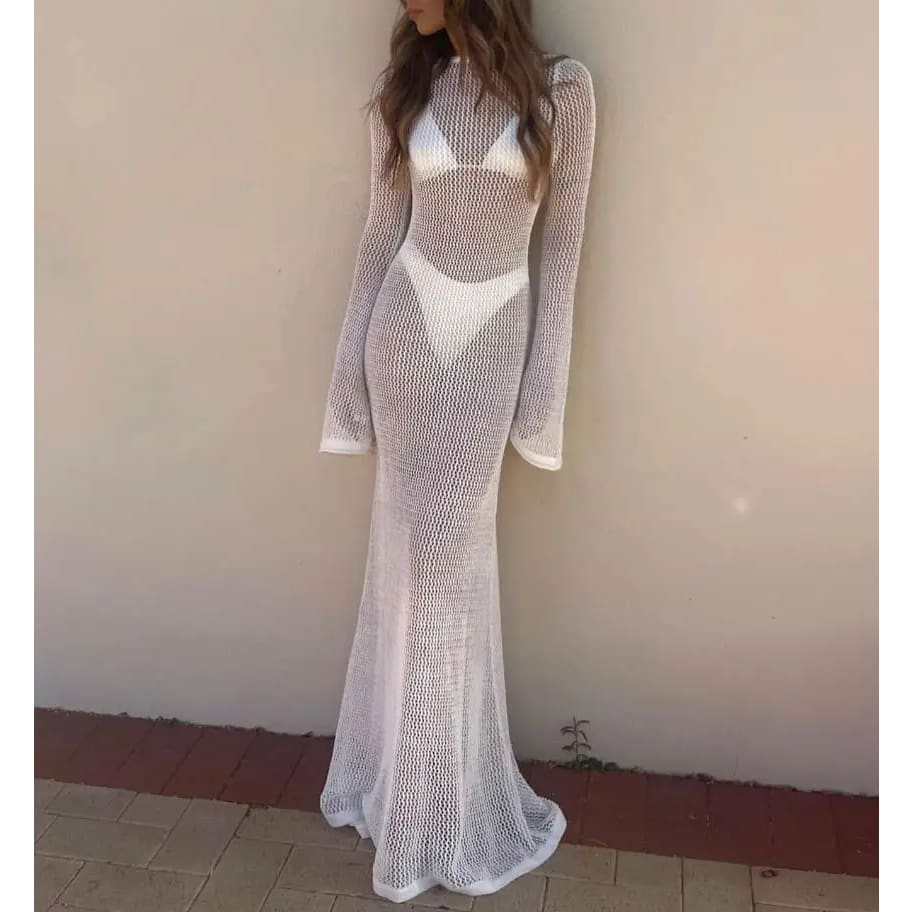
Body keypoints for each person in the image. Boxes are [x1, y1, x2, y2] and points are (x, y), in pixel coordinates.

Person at [318, 0, 596, 902]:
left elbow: (562, 255)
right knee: (411, 563)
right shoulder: (407, 87)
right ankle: (410, 793)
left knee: (450, 569)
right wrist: (346, 387)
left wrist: (542, 402)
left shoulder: (562, 92)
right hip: (404, 332)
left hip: (492, 339)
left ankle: (445, 801)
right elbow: (378, 236)